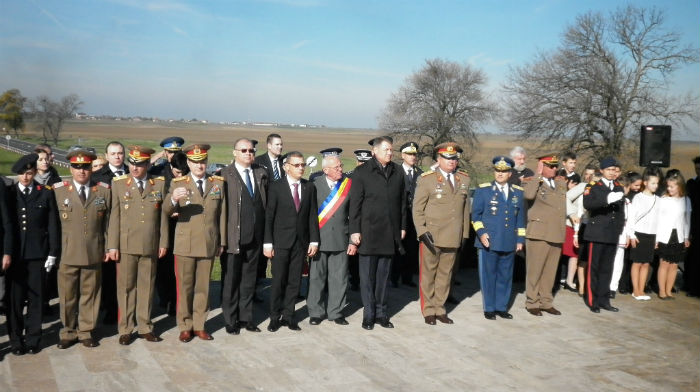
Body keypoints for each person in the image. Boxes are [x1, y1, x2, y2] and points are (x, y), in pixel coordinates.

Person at [164, 144, 226, 342]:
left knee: (203, 288)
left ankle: (200, 325)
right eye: (195, 162)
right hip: (185, 245)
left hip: (208, 242)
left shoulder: (217, 183)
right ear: (188, 163)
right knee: (185, 287)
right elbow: (165, 211)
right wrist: (173, 199)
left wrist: (221, 241)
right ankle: (185, 325)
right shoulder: (178, 184)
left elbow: (222, 215)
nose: (200, 166)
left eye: (203, 162)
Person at [107, 146, 169, 345]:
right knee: (125, 288)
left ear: (147, 165)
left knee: (147, 287)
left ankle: (145, 327)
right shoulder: (118, 184)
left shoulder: (158, 184)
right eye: (132, 163)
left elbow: (163, 218)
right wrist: (112, 246)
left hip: (150, 244)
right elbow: (114, 217)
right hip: (126, 245)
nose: (135, 168)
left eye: (140, 164)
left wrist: (163, 242)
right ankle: (125, 328)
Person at [53, 149, 112, 348]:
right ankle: (68, 332)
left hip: (94, 252)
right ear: (70, 168)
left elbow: (109, 223)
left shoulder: (103, 190)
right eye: (77, 167)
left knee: (90, 294)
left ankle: (86, 331)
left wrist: (108, 246)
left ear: (91, 169)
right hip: (67, 253)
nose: (82, 171)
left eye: (85, 167)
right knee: (68, 296)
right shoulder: (58, 191)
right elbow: (52, 226)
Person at [349, 136, 406, 330]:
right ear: (374, 152)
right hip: (368, 233)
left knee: (383, 278)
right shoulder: (361, 172)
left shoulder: (397, 172)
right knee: (367, 278)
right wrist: (354, 231)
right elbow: (354, 205)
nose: (390, 153)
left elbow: (402, 204)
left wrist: (403, 226)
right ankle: (369, 314)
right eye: (386, 150)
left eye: (391, 150)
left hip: (389, 233)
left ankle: (382, 314)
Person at [5, 154, 58, 355]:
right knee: (15, 302)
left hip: (38, 255)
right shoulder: (10, 193)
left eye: (29, 173)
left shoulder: (44, 192)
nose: (25, 177)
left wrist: (53, 252)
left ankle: (33, 338)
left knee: (36, 299)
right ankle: (16, 341)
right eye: (22, 174)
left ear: (35, 172)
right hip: (16, 256)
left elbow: (52, 224)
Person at [412, 143, 471, 324]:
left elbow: (465, 210)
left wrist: (465, 235)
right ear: (438, 159)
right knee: (428, 274)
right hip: (432, 236)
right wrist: (422, 232)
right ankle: (428, 310)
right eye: (447, 158)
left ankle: (440, 308)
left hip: (453, 236)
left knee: (446, 276)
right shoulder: (427, 179)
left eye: (454, 158)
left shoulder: (464, 179)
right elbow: (417, 209)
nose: (451, 161)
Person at [263, 151, 319, 331]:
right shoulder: (276, 187)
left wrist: (314, 241)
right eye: (296, 165)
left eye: (302, 164)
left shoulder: (309, 187)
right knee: (279, 280)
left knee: (295, 281)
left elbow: (311, 216)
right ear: (286, 167)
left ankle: (289, 316)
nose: (301, 168)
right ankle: (274, 316)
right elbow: (269, 217)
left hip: (300, 243)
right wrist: (268, 243)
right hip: (280, 242)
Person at [221, 138, 268, 335]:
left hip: (255, 237)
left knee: (249, 279)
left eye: (251, 150)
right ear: (234, 153)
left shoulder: (260, 173)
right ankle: (230, 320)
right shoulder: (224, 175)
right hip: (234, 237)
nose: (248, 153)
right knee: (232, 280)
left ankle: (246, 318)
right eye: (243, 150)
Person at [471, 156, 524, 320]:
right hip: (489, 241)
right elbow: (475, 216)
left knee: (505, 276)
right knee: (488, 276)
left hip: (509, 241)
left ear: (510, 173)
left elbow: (520, 218)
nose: (500, 174)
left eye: (504, 171)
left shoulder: (518, 193)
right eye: (497, 171)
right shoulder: (483, 190)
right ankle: (489, 308)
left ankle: (502, 307)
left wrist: (520, 240)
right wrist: (481, 233)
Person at [308, 150, 354, 326]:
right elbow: (309, 214)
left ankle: (336, 312)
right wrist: (310, 240)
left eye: (341, 166)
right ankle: (316, 312)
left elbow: (354, 215)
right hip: (318, 240)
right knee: (316, 278)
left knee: (339, 278)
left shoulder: (348, 184)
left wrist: (352, 240)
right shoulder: (314, 184)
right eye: (337, 167)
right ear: (326, 170)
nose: (341, 169)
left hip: (341, 240)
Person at [522, 154, 566, 316]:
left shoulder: (560, 183)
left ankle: (546, 301)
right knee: (535, 270)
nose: (554, 169)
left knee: (550, 271)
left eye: (556, 166)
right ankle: (532, 302)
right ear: (542, 166)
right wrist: (538, 175)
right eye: (550, 166)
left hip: (556, 232)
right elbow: (528, 195)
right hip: (538, 233)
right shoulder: (532, 182)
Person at [91, 141, 129, 324]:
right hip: (106, 231)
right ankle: (110, 310)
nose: (117, 156)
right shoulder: (96, 176)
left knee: (128, 276)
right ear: (106, 156)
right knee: (108, 276)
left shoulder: (133, 172)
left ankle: (129, 311)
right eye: (113, 153)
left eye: (120, 153)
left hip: (129, 231)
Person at [582, 157, 626, 313]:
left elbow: (620, 212)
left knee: (607, 269)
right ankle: (592, 301)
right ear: (601, 171)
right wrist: (607, 199)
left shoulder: (619, 187)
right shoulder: (593, 186)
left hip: (612, 234)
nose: (612, 173)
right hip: (597, 233)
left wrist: (620, 230)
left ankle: (604, 300)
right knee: (594, 268)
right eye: (608, 170)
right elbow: (588, 203)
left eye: (614, 170)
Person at [155, 151, 189, 317]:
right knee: (165, 267)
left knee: (181, 269)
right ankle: (166, 299)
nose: (180, 175)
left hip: (185, 227)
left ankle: (177, 302)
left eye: (183, 172)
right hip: (166, 227)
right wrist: (171, 209)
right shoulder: (161, 179)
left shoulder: (188, 175)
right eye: (177, 172)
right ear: (170, 167)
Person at [655, 172, 692, 300]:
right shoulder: (664, 200)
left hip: (679, 236)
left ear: (679, 186)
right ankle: (662, 291)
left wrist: (686, 237)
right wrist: (657, 239)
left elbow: (687, 220)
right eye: (668, 186)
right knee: (664, 264)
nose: (669, 189)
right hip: (665, 235)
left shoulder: (686, 200)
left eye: (672, 186)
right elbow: (658, 220)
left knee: (674, 265)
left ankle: (669, 290)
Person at [391, 142, 422, 288]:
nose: (412, 157)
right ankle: (394, 277)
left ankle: (407, 277)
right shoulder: (395, 172)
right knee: (397, 246)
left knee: (411, 247)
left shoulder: (420, 174)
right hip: (398, 216)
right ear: (403, 155)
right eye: (409, 154)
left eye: (414, 154)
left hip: (414, 216)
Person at [628, 170, 660, 300]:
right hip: (639, 234)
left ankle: (641, 289)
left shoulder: (658, 199)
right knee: (637, 262)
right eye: (653, 183)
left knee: (646, 263)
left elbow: (659, 220)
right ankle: (635, 290)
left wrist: (658, 238)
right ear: (645, 183)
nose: (655, 186)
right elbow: (631, 217)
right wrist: (631, 234)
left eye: (657, 183)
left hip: (651, 235)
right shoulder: (638, 198)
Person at [347, 149, 372, 291]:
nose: (362, 164)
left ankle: (365, 281)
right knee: (353, 254)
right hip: (353, 219)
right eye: (361, 162)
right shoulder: (348, 177)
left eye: (366, 162)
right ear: (357, 161)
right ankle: (354, 280)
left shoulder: (374, 177)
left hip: (368, 220)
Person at [683, 156, 700, 297]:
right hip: (694, 225)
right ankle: (690, 286)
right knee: (693, 258)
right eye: (697, 168)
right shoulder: (692, 183)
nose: (698, 171)